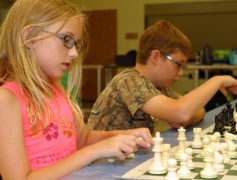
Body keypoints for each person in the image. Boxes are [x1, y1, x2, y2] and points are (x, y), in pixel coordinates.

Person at [0, 0, 152, 179]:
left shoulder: (58, 90)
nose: (74, 53)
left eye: (76, 44)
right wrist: (93, 152)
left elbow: (84, 139)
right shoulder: (7, 100)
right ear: (28, 38)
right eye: (66, 39)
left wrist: (124, 135)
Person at [87, 20, 237, 134]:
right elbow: (182, 112)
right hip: (102, 167)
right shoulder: (129, 81)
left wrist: (185, 118)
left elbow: (196, 110)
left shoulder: (156, 87)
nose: (180, 73)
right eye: (178, 64)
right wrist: (217, 80)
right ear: (156, 57)